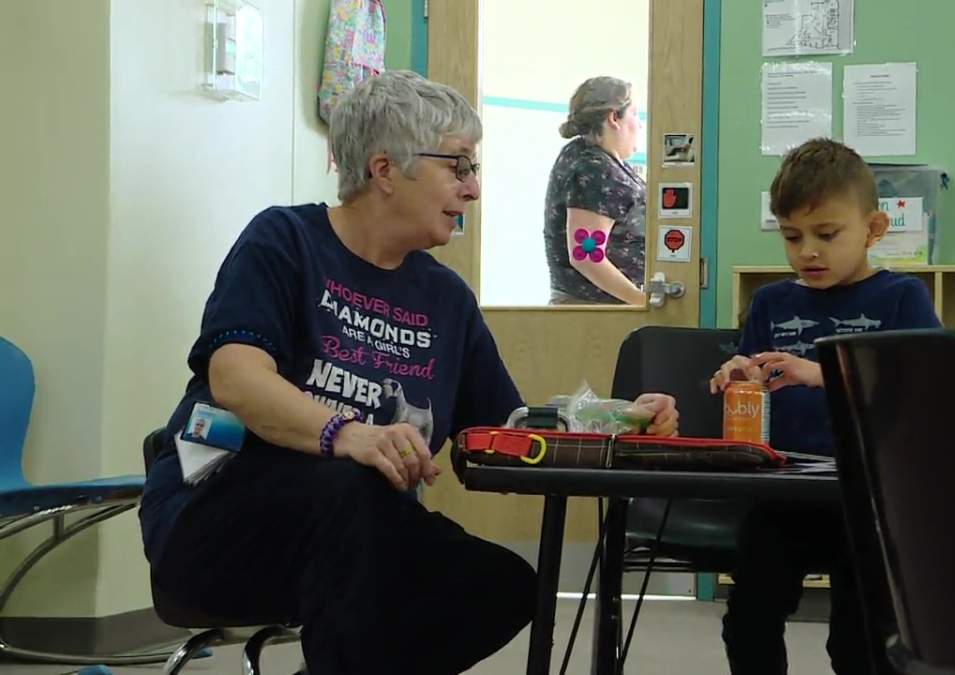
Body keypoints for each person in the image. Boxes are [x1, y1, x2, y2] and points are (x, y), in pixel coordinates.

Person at [138, 70, 680, 675]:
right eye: (459, 167)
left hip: (360, 536)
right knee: (352, 488)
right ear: (385, 169)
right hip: (215, 519)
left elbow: (510, 428)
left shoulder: (445, 299)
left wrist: (613, 421)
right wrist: (348, 434)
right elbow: (236, 379)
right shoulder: (285, 240)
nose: (473, 190)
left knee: (501, 586)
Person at [709, 138, 941, 674]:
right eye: (792, 237)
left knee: (860, 641)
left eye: (827, 235)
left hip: (870, 499)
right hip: (782, 493)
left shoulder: (902, 298)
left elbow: (922, 390)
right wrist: (741, 375)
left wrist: (823, 374)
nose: (807, 251)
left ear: (874, 229)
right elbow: (755, 376)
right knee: (748, 617)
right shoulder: (772, 302)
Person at [543, 76, 646, 305]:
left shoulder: (585, 155)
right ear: (614, 118)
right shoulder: (595, 169)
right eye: (635, 114)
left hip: (597, 311)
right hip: (595, 315)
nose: (639, 124)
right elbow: (587, 255)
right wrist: (642, 303)